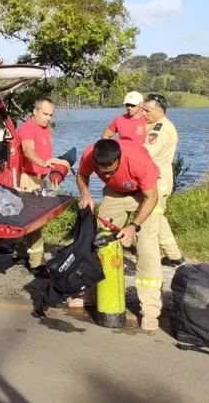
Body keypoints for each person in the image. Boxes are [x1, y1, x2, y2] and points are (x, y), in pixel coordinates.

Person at [73, 138, 164, 331]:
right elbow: (82, 174)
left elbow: (152, 197)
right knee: (98, 243)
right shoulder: (90, 154)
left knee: (147, 249)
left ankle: (150, 310)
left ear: (120, 158)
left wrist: (134, 226)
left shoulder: (137, 160)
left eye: (112, 171)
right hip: (115, 194)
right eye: (103, 172)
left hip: (144, 194)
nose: (107, 174)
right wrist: (85, 193)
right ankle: (91, 293)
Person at [14, 98, 69, 268]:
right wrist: (41, 162)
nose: (48, 118)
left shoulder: (44, 128)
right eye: (45, 114)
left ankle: (21, 252)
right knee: (35, 221)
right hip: (28, 178)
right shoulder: (28, 128)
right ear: (35, 111)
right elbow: (28, 150)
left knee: (28, 220)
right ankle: (36, 263)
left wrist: (52, 163)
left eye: (51, 115)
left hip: (40, 178)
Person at [141, 93, 185, 267]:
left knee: (152, 221)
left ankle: (150, 260)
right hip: (162, 179)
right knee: (158, 217)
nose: (144, 114)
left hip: (157, 181)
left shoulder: (160, 129)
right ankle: (174, 255)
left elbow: (146, 153)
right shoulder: (162, 126)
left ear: (160, 111)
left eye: (147, 111)